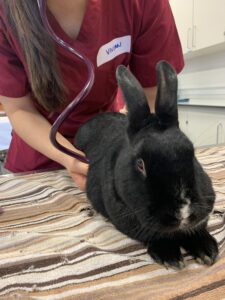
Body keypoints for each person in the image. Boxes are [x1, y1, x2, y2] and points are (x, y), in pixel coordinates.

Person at [0, 0, 184, 191]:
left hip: (107, 145)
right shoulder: (5, 12)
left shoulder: (141, 4)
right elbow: (19, 109)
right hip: (38, 160)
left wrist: (137, 145)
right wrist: (70, 159)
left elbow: (152, 96)